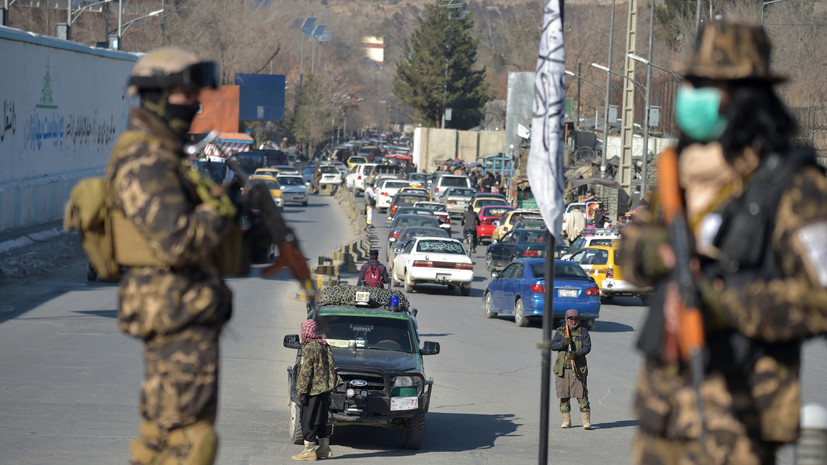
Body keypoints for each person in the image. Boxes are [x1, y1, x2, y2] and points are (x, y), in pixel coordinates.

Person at [618, 20, 827, 465]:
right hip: (664, 408)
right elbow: (629, 252)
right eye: (689, 82)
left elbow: (820, 299)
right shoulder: (683, 170)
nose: (689, 94)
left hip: (740, 413)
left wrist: (722, 303)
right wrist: (659, 252)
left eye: (703, 84)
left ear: (744, 95)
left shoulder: (796, 187)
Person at [105, 48, 232, 465]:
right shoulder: (145, 158)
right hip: (175, 317)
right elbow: (176, 240)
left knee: (167, 440)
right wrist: (220, 213)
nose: (193, 102)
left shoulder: (165, 155)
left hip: (183, 314)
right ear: (156, 95)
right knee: (188, 445)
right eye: (183, 93)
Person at [293, 319, 338, 461]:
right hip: (325, 390)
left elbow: (305, 373)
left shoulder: (309, 348)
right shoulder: (324, 345)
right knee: (321, 418)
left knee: (309, 420)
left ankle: (309, 450)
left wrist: (301, 391)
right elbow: (331, 368)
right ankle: (324, 448)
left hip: (312, 391)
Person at [551, 309, 592, 430]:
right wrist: (563, 343)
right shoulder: (560, 331)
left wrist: (577, 354)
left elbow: (587, 347)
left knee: (582, 395)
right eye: (571, 319)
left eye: (575, 319)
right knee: (564, 396)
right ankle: (566, 421)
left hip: (578, 368)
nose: (573, 322)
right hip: (563, 369)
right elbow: (553, 345)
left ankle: (586, 422)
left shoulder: (583, 332)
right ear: (566, 319)